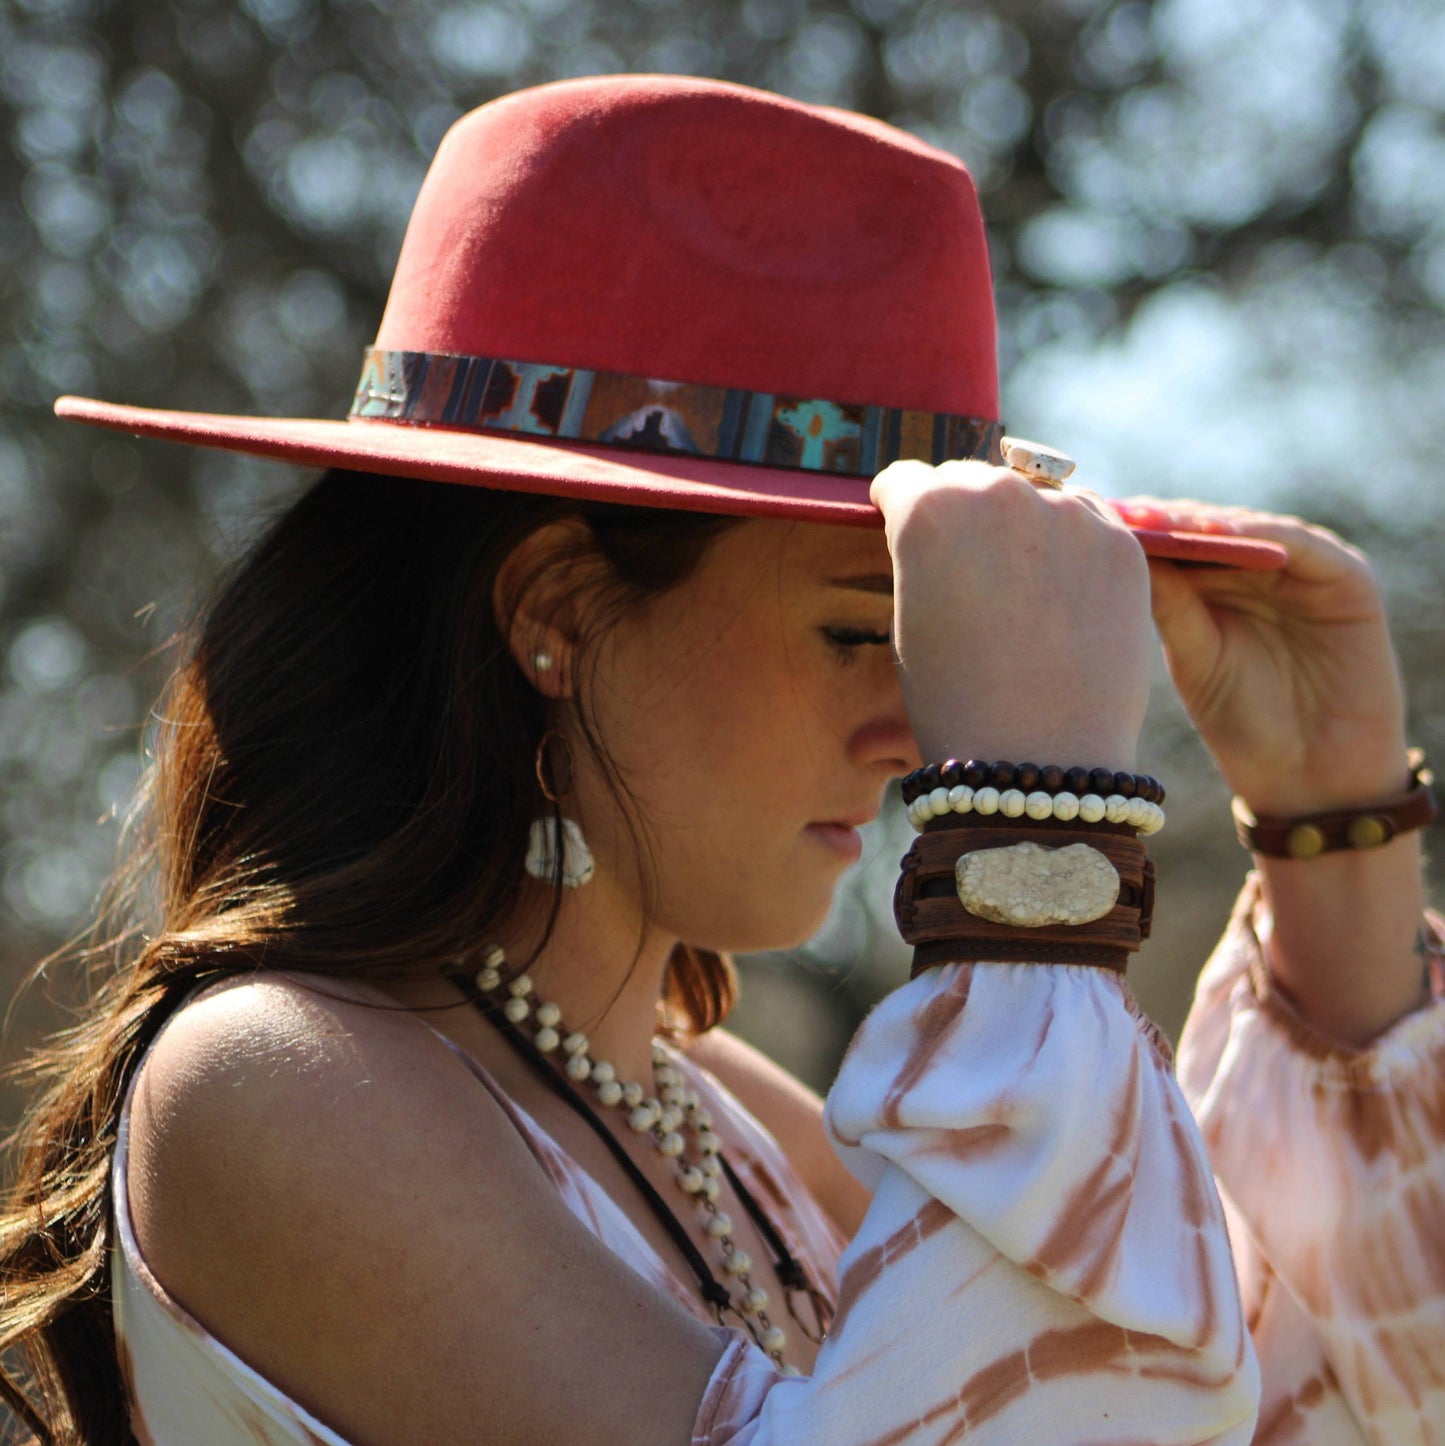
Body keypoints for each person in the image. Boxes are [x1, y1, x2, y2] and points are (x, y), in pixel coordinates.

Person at [1, 73, 1441, 1446]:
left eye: (921, 643)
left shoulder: (706, 1104)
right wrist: (1031, 826)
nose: (913, 731)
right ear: (557, 612)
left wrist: (1331, 820)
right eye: (854, 631)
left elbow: (1290, 1406)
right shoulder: (281, 1082)